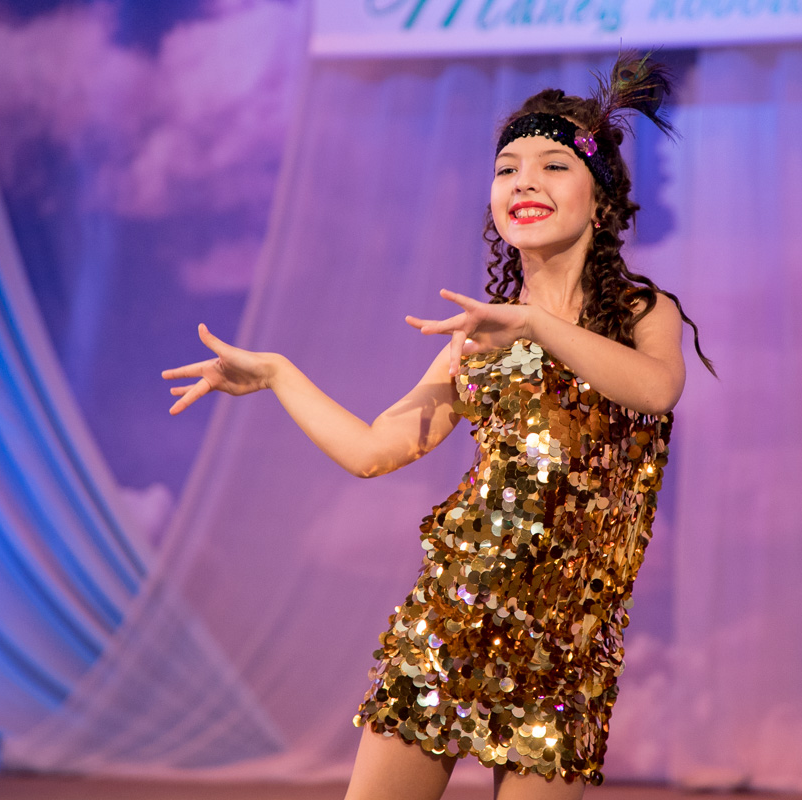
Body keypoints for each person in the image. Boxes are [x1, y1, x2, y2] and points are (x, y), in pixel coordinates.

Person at [163, 52, 713, 800]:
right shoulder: (477, 343)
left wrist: (532, 323)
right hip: (454, 615)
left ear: (601, 200)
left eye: (553, 166)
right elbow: (373, 451)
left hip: (566, 648)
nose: (524, 182)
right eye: (507, 169)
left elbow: (656, 390)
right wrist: (278, 375)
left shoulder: (644, 314)